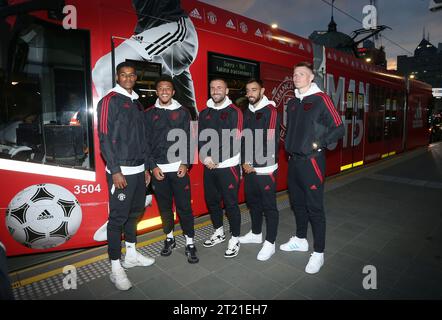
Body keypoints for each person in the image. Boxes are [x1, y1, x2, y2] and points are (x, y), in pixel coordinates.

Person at [281, 61, 345, 274]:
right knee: (297, 204)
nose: (296, 77)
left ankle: (319, 253)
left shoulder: (321, 99)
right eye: (294, 74)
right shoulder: (292, 102)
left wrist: (318, 143)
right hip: (294, 162)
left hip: (312, 162)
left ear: (311, 78)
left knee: (314, 208)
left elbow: (339, 127)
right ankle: (300, 240)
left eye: (301, 74)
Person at [97, 61, 154, 291]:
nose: (128, 78)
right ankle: (115, 267)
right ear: (117, 77)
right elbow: (104, 137)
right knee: (117, 220)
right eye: (124, 75)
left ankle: (131, 254)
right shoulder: (109, 100)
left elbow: (143, 139)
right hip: (121, 172)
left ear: (135, 78)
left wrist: (147, 167)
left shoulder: (137, 103)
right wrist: (116, 170)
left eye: (132, 75)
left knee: (135, 214)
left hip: (139, 171)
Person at [92, 0, 199, 119]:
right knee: (189, 110)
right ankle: (195, 133)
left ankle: (117, 129)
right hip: (149, 29)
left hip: (172, 25)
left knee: (103, 71)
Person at [145, 75, 198, 263]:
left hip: (179, 170)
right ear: (156, 91)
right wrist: (152, 167)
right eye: (161, 88)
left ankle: (190, 242)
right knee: (165, 208)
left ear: (173, 92)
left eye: (168, 88)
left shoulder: (184, 112)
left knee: (184, 207)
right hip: (159, 171)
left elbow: (192, 139)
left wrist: (186, 163)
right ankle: (169, 238)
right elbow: (145, 144)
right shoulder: (149, 114)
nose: (165, 91)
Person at [199, 78, 243, 258]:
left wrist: (215, 158)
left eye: (220, 88)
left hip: (228, 165)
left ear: (226, 91)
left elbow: (236, 139)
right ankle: (219, 231)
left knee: (231, 203)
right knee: (212, 201)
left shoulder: (235, 112)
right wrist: (205, 157)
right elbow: (199, 137)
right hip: (209, 165)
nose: (216, 90)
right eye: (213, 88)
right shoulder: (204, 112)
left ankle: (235, 237)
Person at [239, 79, 280, 261]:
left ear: (262, 90)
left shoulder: (270, 111)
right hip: (250, 166)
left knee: (269, 206)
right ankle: (256, 234)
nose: (250, 94)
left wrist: (252, 162)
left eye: (254, 90)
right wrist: (245, 161)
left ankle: (270, 243)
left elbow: (269, 140)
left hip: (266, 168)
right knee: (253, 202)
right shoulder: (247, 111)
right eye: (248, 91)